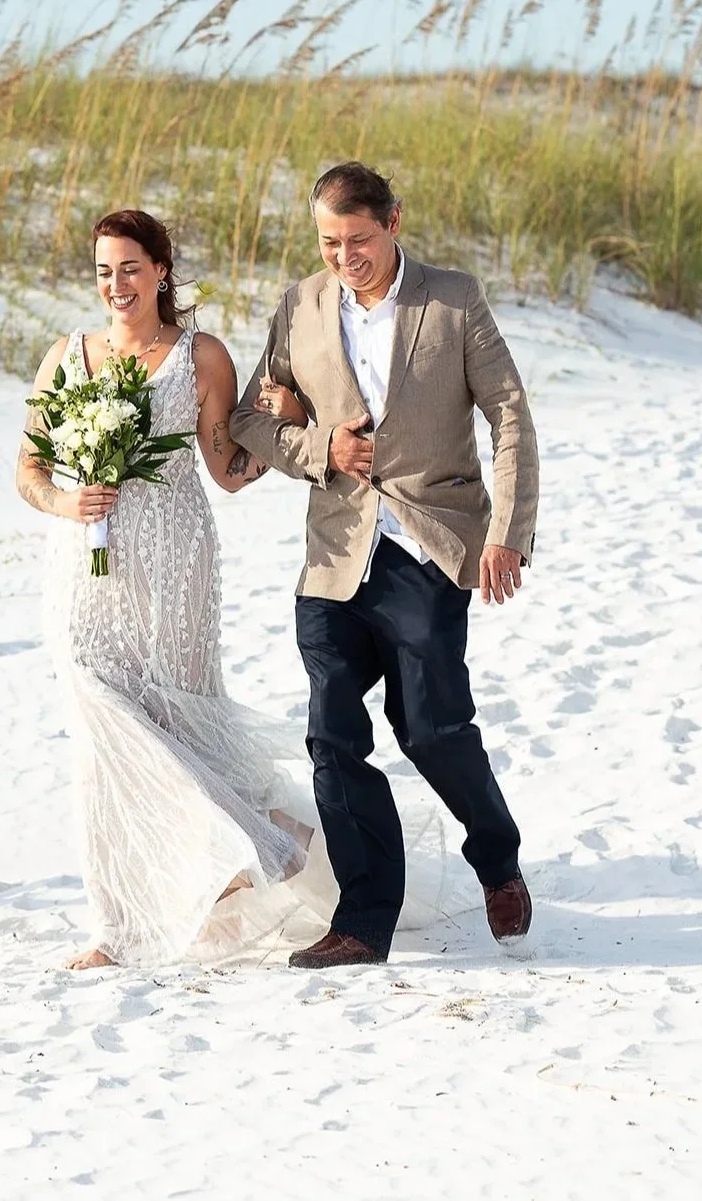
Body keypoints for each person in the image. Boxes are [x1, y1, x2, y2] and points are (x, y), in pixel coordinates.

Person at [230, 161, 540, 970]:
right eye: (329, 243)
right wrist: (319, 448)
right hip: (334, 555)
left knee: (431, 728)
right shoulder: (300, 305)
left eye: (358, 240)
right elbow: (250, 422)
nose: (344, 257)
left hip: (427, 547)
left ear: (393, 222)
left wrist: (508, 533)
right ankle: (364, 925)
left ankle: (497, 856)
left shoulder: (453, 300)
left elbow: (510, 417)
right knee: (333, 739)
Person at [16, 209, 315, 969]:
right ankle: (122, 924)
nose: (116, 284)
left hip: (176, 566)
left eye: (130, 268)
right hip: (83, 569)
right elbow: (29, 469)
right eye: (103, 271)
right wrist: (66, 502)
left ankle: (252, 843)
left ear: (160, 270)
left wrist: (282, 427)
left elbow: (227, 470)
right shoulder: (67, 357)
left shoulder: (200, 356)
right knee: (101, 732)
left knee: (177, 721)